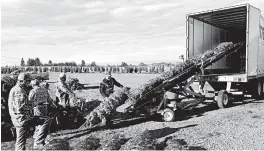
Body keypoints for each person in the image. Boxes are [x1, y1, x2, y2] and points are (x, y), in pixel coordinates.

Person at [8, 73, 33, 150]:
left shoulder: (15, 89)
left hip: (18, 118)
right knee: (21, 142)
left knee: (21, 140)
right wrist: (32, 105)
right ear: (22, 81)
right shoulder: (19, 91)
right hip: (20, 119)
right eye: (28, 81)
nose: (29, 82)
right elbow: (20, 107)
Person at [28, 79, 52, 149]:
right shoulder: (45, 90)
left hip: (37, 108)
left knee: (39, 123)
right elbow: (49, 100)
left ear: (33, 85)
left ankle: (37, 142)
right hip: (45, 107)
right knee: (43, 123)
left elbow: (29, 101)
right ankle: (41, 140)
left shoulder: (33, 91)